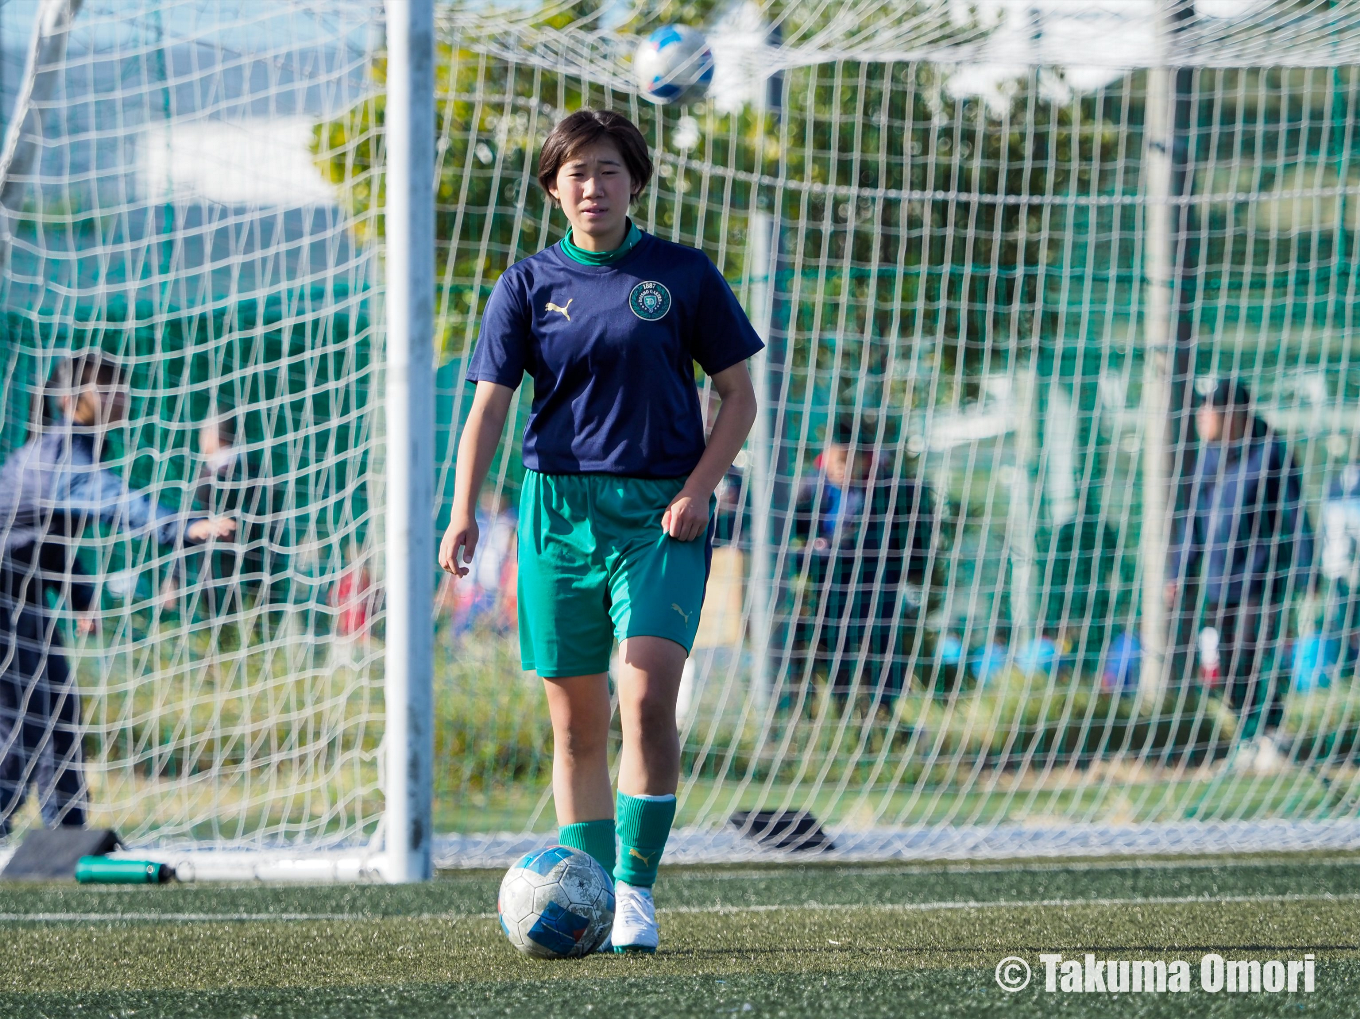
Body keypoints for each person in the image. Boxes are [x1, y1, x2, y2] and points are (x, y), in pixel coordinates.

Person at [438, 109, 761, 953]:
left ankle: (633, 893)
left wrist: (699, 488)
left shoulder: (682, 275)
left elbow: (739, 396)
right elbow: (489, 407)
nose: (594, 186)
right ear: (554, 187)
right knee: (577, 726)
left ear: (635, 181)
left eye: (609, 169)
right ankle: (579, 896)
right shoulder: (526, 285)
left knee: (647, 697)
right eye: (577, 172)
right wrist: (464, 508)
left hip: (660, 516)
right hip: (556, 515)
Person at [0, 351, 236, 834]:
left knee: (58, 709)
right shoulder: (61, 456)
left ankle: (68, 835)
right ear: (70, 401)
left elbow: (41, 543)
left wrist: (81, 598)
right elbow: (115, 501)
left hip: (18, 600)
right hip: (5, 602)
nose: (118, 397)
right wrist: (180, 524)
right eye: (103, 388)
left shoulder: (72, 452)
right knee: (26, 718)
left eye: (119, 387)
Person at [1166, 378, 1313, 756]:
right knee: (1226, 666)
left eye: (1208, 408)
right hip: (1219, 583)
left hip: (1260, 579)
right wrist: (1179, 572)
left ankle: (1271, 734)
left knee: (1253, 653)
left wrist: (1306, 570)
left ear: (1232, 413)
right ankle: (1253, 733)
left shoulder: (1271, 452)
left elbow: (1295, 514)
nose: (1201, 416)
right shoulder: (1207, 458)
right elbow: (1195, 522)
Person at [791, 418, 937, 711]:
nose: (841, 467)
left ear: (864, 459)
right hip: (830, 587)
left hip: (877, 586)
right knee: (833, 648)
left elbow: (914, 541)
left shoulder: (891, 491)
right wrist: (813, 551)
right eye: (836, 459)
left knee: (883, 651)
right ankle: (840, 709)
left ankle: (885, 713)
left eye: (848, 460)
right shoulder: (810, 488)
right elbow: (795, 534)